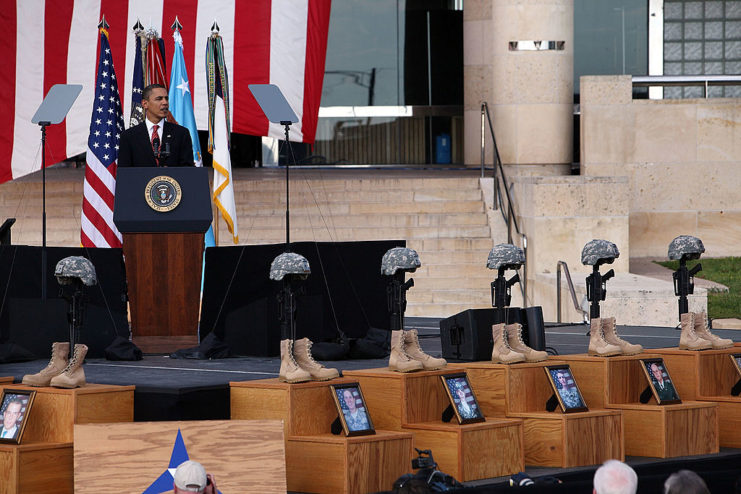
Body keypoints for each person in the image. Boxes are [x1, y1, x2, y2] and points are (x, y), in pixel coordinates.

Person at [118, 84, 194, 167]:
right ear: (145, 104)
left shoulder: (181, 133)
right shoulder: (129, 136)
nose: (165, 102)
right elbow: (124, 173)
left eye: (166, 98)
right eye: (159, 99)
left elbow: (188, 171)